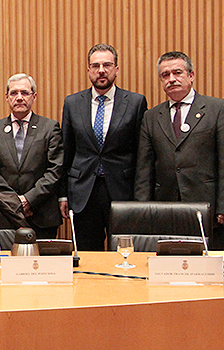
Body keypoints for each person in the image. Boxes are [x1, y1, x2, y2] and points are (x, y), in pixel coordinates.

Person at [135, 51, 224, 249]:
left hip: (207, 208)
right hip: (165, 209)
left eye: (177, 73)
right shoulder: (151, 116)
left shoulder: (217, 109)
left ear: (191, 76)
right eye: (165, 75)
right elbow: (144, 168)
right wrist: (143, 209)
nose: (172, 79)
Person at [60, 44, 148, 250]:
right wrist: (63, 194)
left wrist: (141, 197)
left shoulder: (135, 102)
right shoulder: (73, 103)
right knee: (88, 255)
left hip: (122, 191)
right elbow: (66, 152)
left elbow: (142, 154)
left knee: (125, 253)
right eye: (96, 65)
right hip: (83, 192)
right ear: (88, 70)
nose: (101, 70)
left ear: (116, 69)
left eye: (107, 65)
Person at [0, 74, 63, 239]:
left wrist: (29, 199)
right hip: (6, 214)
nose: (19, 98)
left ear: (34, 97)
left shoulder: (50, 128)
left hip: (42, 214)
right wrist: (15, 201)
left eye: (25, 93)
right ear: (6, 97)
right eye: (14, 93)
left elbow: (55, 170)